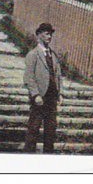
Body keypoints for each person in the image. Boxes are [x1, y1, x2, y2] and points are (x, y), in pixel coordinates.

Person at [23, 22, 63, 153]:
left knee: (51, 130)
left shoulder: (53, 55)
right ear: (39, 35)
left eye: (51, 34)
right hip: (39, 98)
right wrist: (35, 95)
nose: (50, 37)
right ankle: (28, 154)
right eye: (47, 34)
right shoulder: (33, 54)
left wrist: (60, 93)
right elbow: (28, 77)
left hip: (51, 98)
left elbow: (58, 75)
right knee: (34, 127)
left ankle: (48, 156)